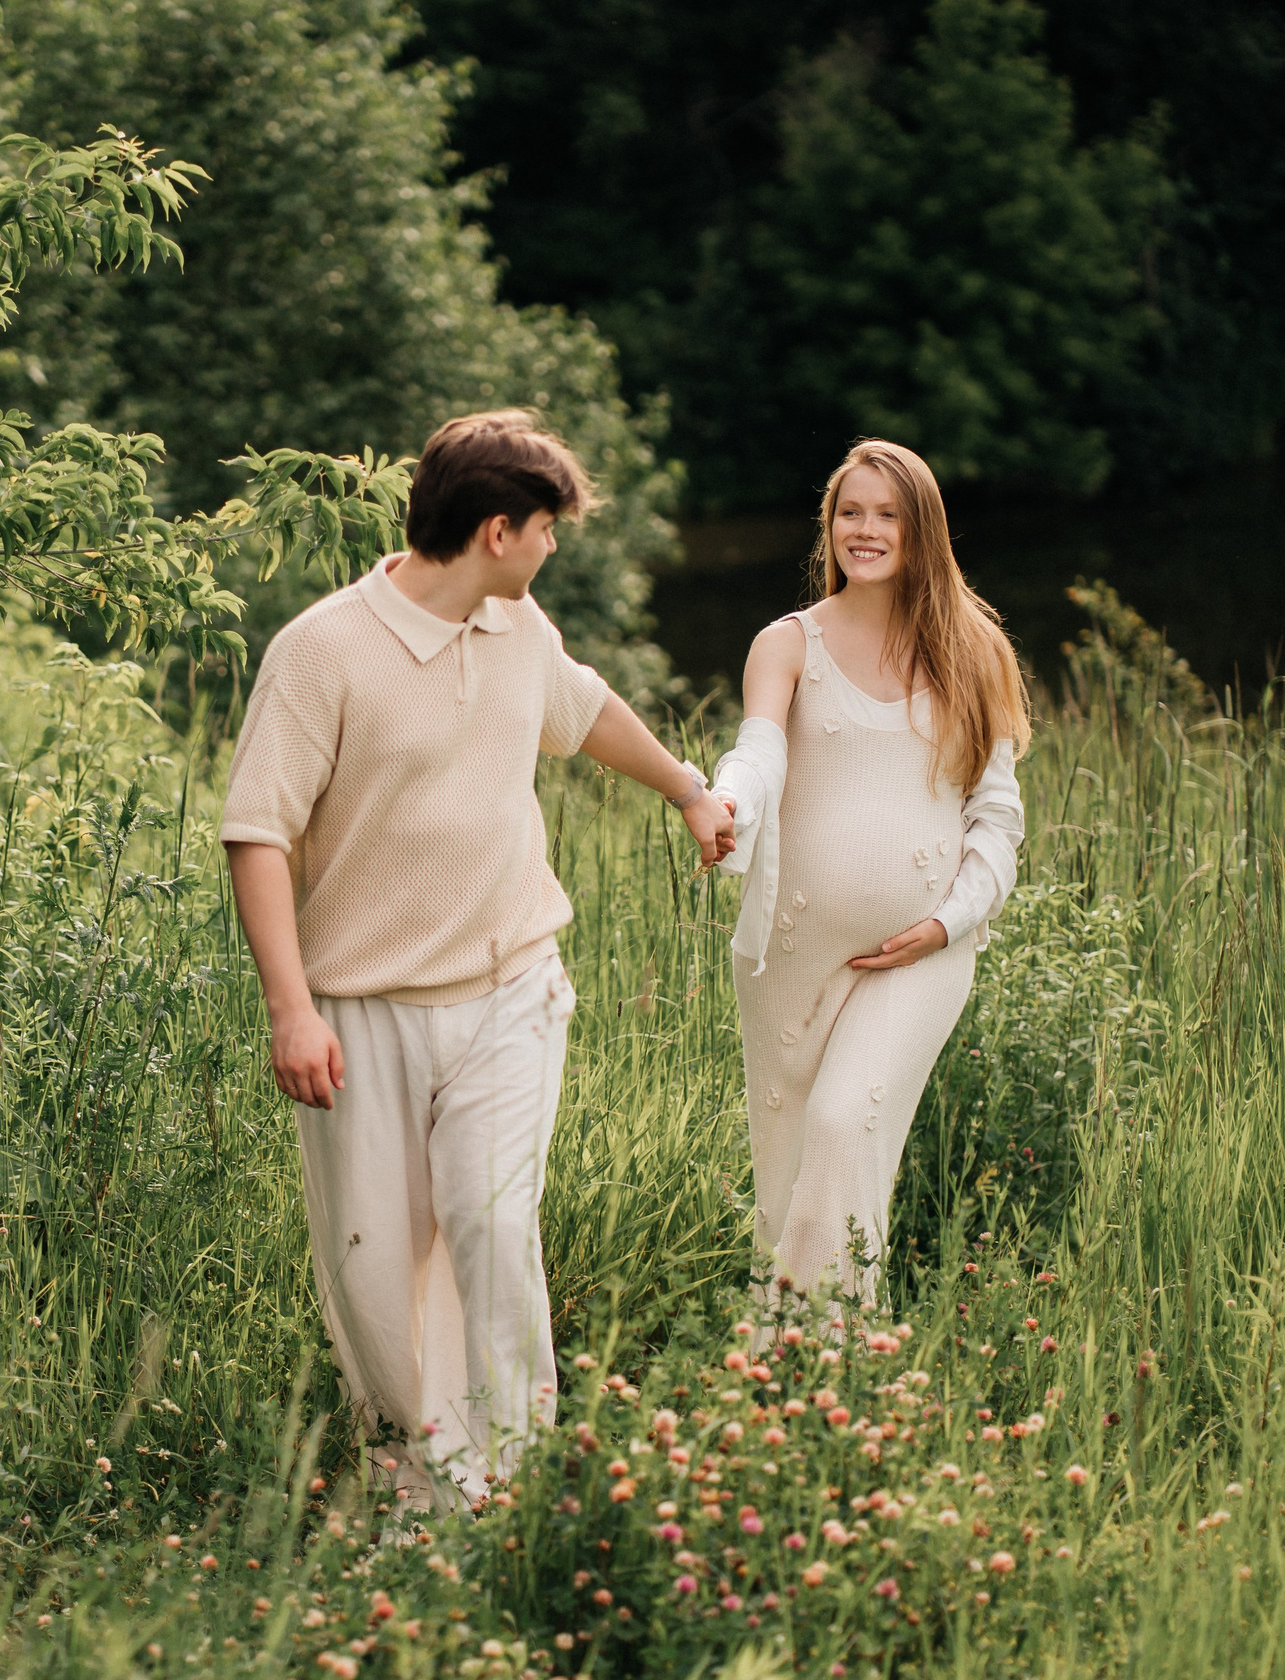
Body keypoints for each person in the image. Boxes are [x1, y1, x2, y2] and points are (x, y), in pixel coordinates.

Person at [221, 411, 735, 1509]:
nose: (554, 549)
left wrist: (688, 792)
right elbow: (257, 832)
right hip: (361, 1011)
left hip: (510, 985)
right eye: (546, 530)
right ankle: (414, 1468)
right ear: (497, 530)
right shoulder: (322, 650)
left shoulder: (519, 626)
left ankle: (503, 1484)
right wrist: (290, 1008)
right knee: (373, 1267)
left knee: (491, 1223)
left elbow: (582, 708)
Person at [711, 440, 1029, 1303]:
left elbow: (996, 818)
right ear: (830, 523)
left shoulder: (974, 652)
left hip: (920, 949)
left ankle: (834, 1369)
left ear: (922, 529)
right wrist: (726, 802)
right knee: (788, 1179)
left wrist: (946, 921)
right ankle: (785, 1376)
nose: (866, 528)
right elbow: (759, 751)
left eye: (887, 513)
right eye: (851, 510)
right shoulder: (787, 644)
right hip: (791, 950)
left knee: (845, 1123)